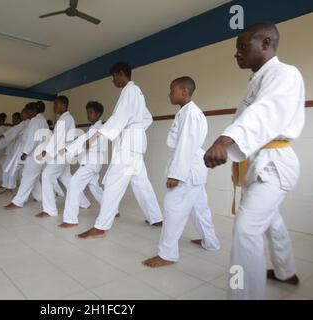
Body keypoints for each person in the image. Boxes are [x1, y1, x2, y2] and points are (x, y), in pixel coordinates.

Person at [203, 22, 304, 299]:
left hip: (273, 164)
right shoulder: (257, 80)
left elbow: (265, 112)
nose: (237, 53)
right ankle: (286, 271)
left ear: (266, 44)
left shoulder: (285, 74)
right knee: (271, 219)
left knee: (246, 230)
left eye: (243, 47)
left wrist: (224, 141)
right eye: (236, 48)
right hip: (261, 163)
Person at [77, 62, 163, 239]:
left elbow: (119, 117)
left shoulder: (130, 91)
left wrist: (95, 137)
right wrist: (136, 130)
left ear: (121, 74)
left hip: (130, 145)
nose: (113, 81)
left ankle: (101, 226)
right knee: (141, 183)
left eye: (113, 76)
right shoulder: (137, 92)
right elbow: (148, 118)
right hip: (137, 143)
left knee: (113, 183)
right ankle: (156, 218)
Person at [142, 76, 220, 268]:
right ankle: (210, 242)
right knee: (199, 209)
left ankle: (167, 254)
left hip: (187, 170)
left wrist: (176, 174)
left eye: (172, 90)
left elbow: (186, 145)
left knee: (172, 208)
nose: (170, 94)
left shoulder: (190, 113)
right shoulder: (186, 112)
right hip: (194, 169)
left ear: (184, 92)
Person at [59, 101, 119, 227]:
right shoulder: (95, 128)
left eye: (91, 113)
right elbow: (83, 141)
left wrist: (69, 149)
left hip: (91, 163)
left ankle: (70, 220)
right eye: (87, 113)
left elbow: (85, 143)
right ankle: (113, 210)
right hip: (93, 163)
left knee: (73, 183)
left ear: (98, 114)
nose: (88, 115)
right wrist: (69, 148)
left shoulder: (98, 128)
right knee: (95, 187)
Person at [35, 96, 91, 218]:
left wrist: (46, 152)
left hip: (62, 154)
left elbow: (57, 140)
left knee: (46, 175)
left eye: (56, 104)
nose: (54, 107)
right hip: (65, 153)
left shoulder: (64, 120)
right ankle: (84, 203)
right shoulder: (66, 118)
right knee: (67, 179)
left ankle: (50, 210)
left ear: (64, 105)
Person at [4, 102, 49, 210]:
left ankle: (18, 201)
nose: (26, 113)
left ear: (33, 111)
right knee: (34, 178)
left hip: (34, 154)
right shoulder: (42, 120)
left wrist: (25, 152)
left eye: (28, 111)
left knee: (27, 177)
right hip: (39, 153)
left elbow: (32, 139)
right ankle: (40, 197)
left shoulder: (35, 121)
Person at [0, 111, 28, 194]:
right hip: (14, 151)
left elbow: (12, 134)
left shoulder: (25, 123)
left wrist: (1, 137)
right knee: (8, 167)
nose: (13, 120)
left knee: (15, 169)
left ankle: (9, 188)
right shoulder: (22, 125)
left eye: (15, 119)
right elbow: (10, 136)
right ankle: (7, 186)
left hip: (22, 151)